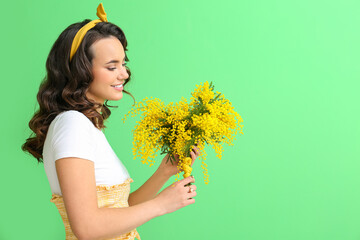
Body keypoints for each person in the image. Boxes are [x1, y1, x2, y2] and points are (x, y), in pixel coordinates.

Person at [21, 3, 199, 240]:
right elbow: (87, 227)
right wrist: (161, 205)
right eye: (111, 66)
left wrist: (165, 171)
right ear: (81, 71)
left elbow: (122, 209)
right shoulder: (71, 125)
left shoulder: (85, 125)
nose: (124, 74)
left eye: (123, 64)